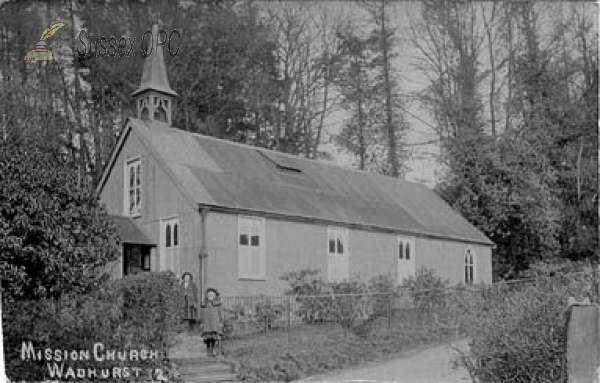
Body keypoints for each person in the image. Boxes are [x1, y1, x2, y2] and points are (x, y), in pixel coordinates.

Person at [199, 287, 223, 357]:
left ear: (215, 296)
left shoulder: (217, 304)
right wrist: (202, 322)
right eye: (209, 295)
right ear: (207, 296)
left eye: (212, 295)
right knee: (207, 338)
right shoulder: (204, 304)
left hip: (214, 323)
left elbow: (220, 313)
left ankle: (212, 351)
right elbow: (202, 313)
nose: (211, 297)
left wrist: (220, 322)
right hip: (206, 323)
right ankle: (208, 351)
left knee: (213, 337)